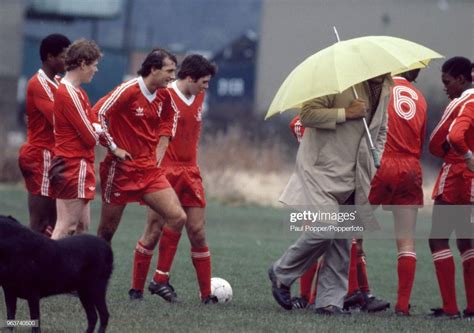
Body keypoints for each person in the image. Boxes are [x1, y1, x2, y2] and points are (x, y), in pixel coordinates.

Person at [269, 74, 392, 315]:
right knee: (326, 227)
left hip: (356, 173)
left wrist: (376, 154)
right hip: (321, 168)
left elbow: (382, 127)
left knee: (343, 241)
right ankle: (281, 272)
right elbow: (307, 115)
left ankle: (328, 302)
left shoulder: (387, 87)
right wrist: (346, 113)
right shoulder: (336, 81)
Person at [94, 48, 187, 302]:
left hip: (148, 171)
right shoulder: (128, 91)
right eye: (169, 71)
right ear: (153, 69)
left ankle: (159, 280)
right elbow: (97, 115)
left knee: (177, 217)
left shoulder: (164, 96)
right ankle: (93, 281)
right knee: (106, 233)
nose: (173, 76)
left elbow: (171, 120)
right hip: (120, 170)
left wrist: (161, 147)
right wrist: (113, 147)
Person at [128, 54, 218, 304]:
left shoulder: (199, 95)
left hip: (190, 170)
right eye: (204, 82)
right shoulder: (164, 95)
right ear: (189, 78)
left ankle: (206, 295)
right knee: (154, 228)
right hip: (164, 170)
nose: (206, 87)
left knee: (198, 231)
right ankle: (137, 289)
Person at [289, 115, 389, 313]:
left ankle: (355, 294)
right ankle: (309, 296)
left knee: (346, 241)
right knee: (329, 239)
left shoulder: (307, 120)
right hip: (325, 183)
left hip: (332, 181)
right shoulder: (325, 117)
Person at [368, 69, 427, 316]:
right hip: (411, 166)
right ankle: (402, 305)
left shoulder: (382, 90)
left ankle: (357, 292)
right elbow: (421, 140)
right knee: (406, 241)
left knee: (350, 229)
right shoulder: (421, 98)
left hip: (382, 162)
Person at [428, 56, 474, 320]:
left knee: (437, 239)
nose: (446, 88)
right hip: (471, 180)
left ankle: (450, 308)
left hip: (457, 175)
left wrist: (465, 155)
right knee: (467, 241)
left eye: (447, 82)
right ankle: (471, 308)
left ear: (460, 79)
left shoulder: (463, 101)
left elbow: (445, 139)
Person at [49, 39, 102, 240]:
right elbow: (90, 137)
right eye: (94, 65)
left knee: (81, 226)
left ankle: (71, 271)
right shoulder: (68, 93)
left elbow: (93, 122)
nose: (95, 70)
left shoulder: (78, 92)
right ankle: (48, 271)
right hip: (72, 165)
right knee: (66, 227)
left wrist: (96, 128)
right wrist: (97, 130)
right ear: (82, 63)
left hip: (75, 164)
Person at [18, 34, 71, 236]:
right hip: (40, 156)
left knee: (54, 224)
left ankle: (44, 265)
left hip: (52, 155)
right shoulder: (37, 83)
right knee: (39, 224)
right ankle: (24, 266)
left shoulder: (58, 82)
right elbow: (58, 120)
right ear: (50, 57)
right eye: (64, 56)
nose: (68, 61)